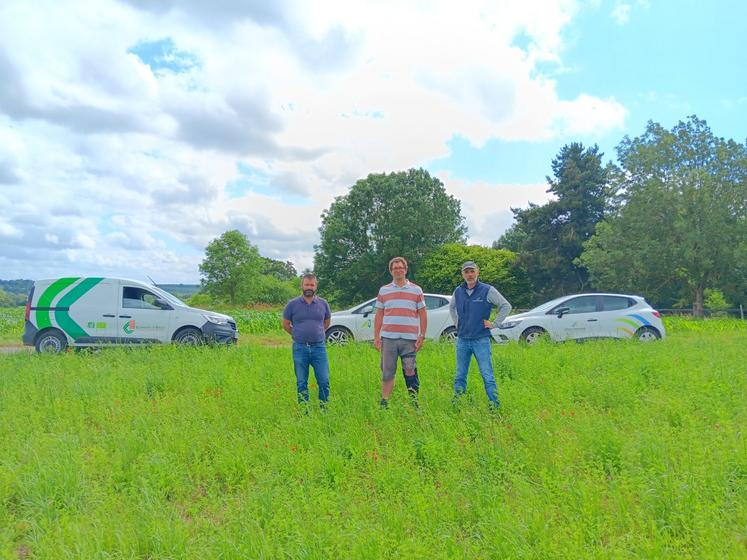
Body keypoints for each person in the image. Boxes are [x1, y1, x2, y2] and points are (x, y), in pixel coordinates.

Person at [450, 261, 512, 410]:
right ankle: (458, 406)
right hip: (463, 340)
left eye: (472, 271)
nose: (469, 275)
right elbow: (452, 307)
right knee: (460, 375)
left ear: (477, 272)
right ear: (462, 274)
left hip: (481, 339)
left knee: (487, 375)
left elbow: (506, 306)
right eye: (466, 272)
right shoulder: (458, 291)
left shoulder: (487, 290)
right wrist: (457, 322)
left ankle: (494, 406)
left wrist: (494, 323)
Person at [373, 256, 427, 409]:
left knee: (410, 370)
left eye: (400, 267)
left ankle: (414, 402)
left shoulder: (416, 290)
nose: (398, 270)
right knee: (387, 372)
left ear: (406, 269)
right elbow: (379, 315)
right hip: (388, 339)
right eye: (395, 268)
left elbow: (423, 314)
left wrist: (422, 335)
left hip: (409, 339)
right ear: (391, 271)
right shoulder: (384, 290)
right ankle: (385, 402)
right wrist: (376, 336)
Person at [282, 273, 332, 409]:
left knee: (324, 380)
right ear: (301, 286)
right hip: (300, 348)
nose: (309, 287)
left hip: (319, 348)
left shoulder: (323, 304)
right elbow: (286, 324)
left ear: (316, 286)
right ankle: (304, 409)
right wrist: (297, 334)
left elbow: (326, 322)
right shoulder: (292, 304)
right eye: (306, 284)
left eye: (312, 284)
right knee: (301, 381)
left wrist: (317, 333)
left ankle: (324, 408)